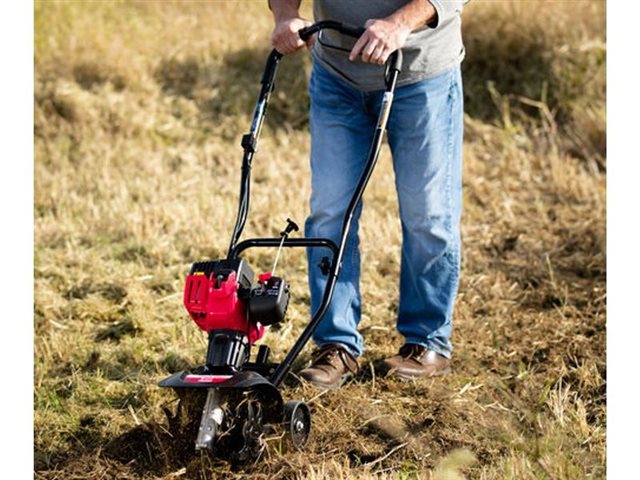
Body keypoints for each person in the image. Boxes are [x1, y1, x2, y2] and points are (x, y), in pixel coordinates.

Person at [269, 0, 466, 389]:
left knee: (428, 216)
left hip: (421, 74)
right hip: (337, 77)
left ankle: (427, 341)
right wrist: (285, 16)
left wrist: (398, 24)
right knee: (330, 212)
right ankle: (336, 345)